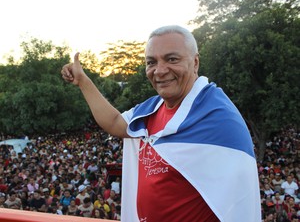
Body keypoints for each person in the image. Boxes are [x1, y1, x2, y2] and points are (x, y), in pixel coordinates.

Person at [61, 25, 261, 222]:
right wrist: (83, 82)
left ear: (195, 62)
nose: (159, 71)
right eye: (151, 62)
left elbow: (240, 202)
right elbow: (115, 123)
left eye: (172, 59)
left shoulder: (218, 117)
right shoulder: (153, 108)